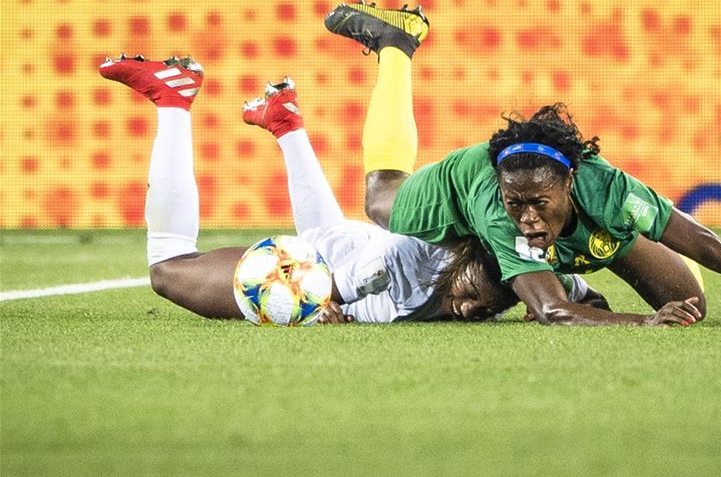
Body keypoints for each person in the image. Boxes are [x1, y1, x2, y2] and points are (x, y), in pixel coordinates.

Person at [323, 2, 721, 327]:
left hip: (588, 217)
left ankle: (596, 245)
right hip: (461, 194)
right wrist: (642, 322)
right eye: (517, 204)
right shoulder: (500, 211)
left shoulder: (611, 191)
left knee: (690, 308)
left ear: (570, 182)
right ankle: (398, 45)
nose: (527, 218)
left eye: (539, 204)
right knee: (381, 200)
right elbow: (554, 311)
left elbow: (708, 244)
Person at [97, 54, 600, 323]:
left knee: (326, 233)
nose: (469, 309)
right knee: (168, 269)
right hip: (325, 264)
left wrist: (554, 301)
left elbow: (585, 297)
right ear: (460, 261)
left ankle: (285, 123)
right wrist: (321, 306)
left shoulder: (523, 267)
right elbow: (319, 287)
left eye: (490, 308)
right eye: (470, 295)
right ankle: (171, 98)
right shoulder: (396, 266)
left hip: (345, 240)